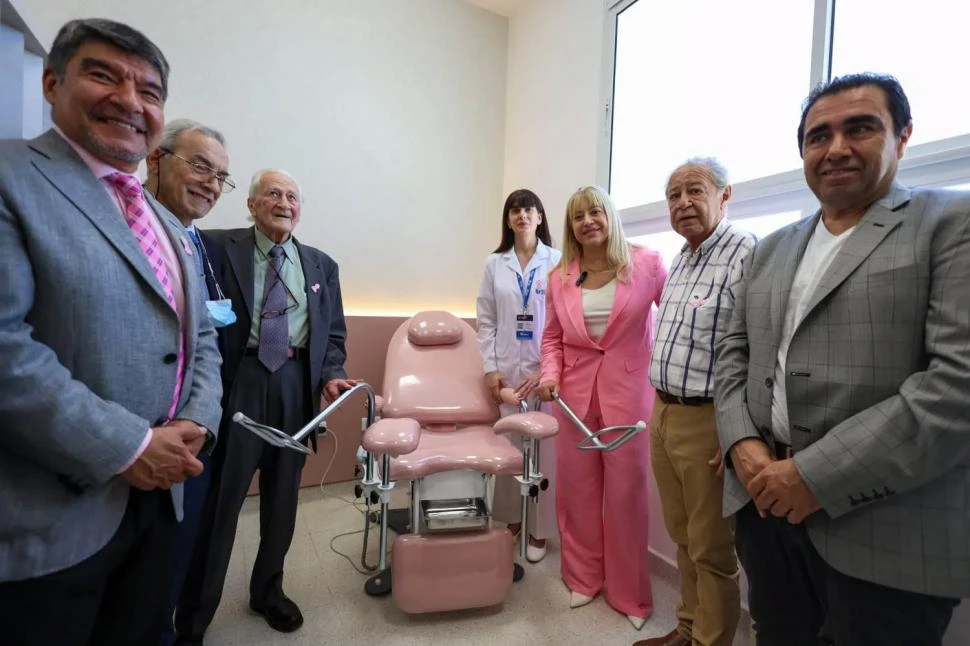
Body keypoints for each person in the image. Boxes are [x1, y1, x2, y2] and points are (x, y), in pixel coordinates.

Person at [714, 72, 970, 646]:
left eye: (860, 128)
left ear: (902, 137)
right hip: (763, 507)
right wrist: (740, 445)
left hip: (888, 523)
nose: (835, 148)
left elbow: (958, 386)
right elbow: (733, 352)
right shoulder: (774, 246)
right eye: (818, 136)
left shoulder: (950, 225)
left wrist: (811, 475)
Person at [0, 18, 223, 646]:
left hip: (161, 500)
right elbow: (6, 350)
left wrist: (197, 422)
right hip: (55, 514)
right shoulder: (12, 179)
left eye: (149, 91)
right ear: (51, 82)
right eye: (103, 75)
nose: (129, 100)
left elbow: (200, 336)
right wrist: (129, 446)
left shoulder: (164, 222)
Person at [174, 169, 356, 644]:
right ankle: (195, 613)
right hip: (240, 380)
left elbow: (332, 334)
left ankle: (268, 592)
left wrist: (332, 375)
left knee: (283, 499)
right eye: (273, 193)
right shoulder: (216, 247)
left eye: (293, 196)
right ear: (252, 204)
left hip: (297, 383)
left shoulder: (321, 266)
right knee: (223, 502)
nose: (284, 202)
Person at [636, 158, 754, 646]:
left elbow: (754, 349)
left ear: (724, 196)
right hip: (663, 412)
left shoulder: (744, 252)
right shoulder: (682, 256)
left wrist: (735, 431)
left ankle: (711, 639)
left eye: (695, 191)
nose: (682, 203)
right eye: (673, 195)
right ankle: (686, 628)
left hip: (707, 420)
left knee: (710, 547)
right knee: (682, 535)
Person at [537, 185, 667, 630]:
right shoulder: (559, 277)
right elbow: (552, 337)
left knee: (627, 496)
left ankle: (630, 593)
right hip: (571, 398)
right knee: (577, 493)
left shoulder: (647, 263)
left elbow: (674, 324)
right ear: (571, 226)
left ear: (609, 216)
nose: (588, 221)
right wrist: (549, 375)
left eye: (595, 212)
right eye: (578, 216)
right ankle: (583, 578)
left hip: (629, 398)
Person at [145, 118, 236, 646]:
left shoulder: (193, 240)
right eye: (199, 165)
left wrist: (200, 416)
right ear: (155, 158)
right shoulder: (130, 224)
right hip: (140, 435)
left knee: (177, 556)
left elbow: (205, 341)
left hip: (192, 428)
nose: (209, 182)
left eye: (218, 176)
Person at [476, 188, 562, 563]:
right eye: (514, 210)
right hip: (508, 371)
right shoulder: (495, 264)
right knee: (510, 447)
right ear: (508, 220)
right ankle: (512, 518)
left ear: (540, 217)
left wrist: (549, 369)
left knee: (544, 452)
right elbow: (486, 320)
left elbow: (562, 322)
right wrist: (491, 370)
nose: (522, 215)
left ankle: (539, 528)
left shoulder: (558, 262)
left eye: (528, 209)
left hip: (546, 372)